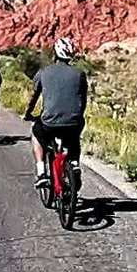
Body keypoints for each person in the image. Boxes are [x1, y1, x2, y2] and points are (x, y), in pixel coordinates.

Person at [23, 38, 88, 189]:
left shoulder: (44, 72)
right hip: (74, 122)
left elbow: (34, 96)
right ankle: (74, 163)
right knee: (74, 138)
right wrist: (78, 115)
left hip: (49, 123)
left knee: (36, 132)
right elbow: (83, 99)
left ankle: (41, 173)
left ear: (55, 54)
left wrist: (28, 113)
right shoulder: (80, 74)